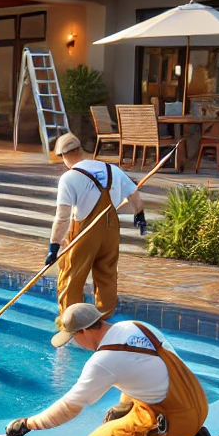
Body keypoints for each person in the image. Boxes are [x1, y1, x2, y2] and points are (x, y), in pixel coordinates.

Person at [5, 303, 219, 436]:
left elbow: (70, 406)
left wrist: (29, 423)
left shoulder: (103, 361)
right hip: (195, 401)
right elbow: (144, 371)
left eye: (73, 338)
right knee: (116, 416)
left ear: (84, 331)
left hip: (169, 419)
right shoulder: (134, 326)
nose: (75, 344)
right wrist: (124, 406)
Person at [46, 133, 145, 315]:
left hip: (84, 233)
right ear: (80, 150)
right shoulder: (112, 170)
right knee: (106, 274)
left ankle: (71, 320)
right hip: (111, 230)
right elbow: (136, 199)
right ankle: (104, 317)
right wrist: (140, 216)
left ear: (63, 156)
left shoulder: (69, 178)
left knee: (71, 275)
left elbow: (62, 217)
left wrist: (54, 245)